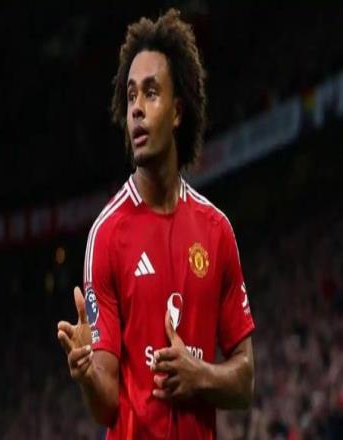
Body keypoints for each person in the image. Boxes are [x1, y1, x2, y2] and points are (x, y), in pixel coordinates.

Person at [57, 8, 255, 439]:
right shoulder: (107, 235)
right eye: (130, 97)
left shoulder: (217, 231)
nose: (136, 110)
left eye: (150, 93)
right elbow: (106, 406)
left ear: (177, 111)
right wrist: (88, 374)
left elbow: (245, 382)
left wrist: (200, 374)